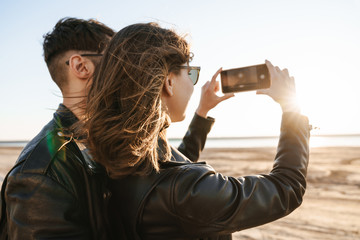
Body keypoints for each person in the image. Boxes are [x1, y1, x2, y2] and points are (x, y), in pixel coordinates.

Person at [0, 18, 231, 240]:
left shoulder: (113, 134)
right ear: (81, 67)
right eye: (115, 58)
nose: (132, 66)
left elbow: (165, 177)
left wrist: (201, 114)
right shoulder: (42, 171)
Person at [84, 23, 310, 239]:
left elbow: (170, 167)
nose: (193, 84)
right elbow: (286, 188)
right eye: (190, 73)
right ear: (168, 83)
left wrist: (202, 112)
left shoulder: (114, 159)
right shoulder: (185, 191)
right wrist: (291, 109)